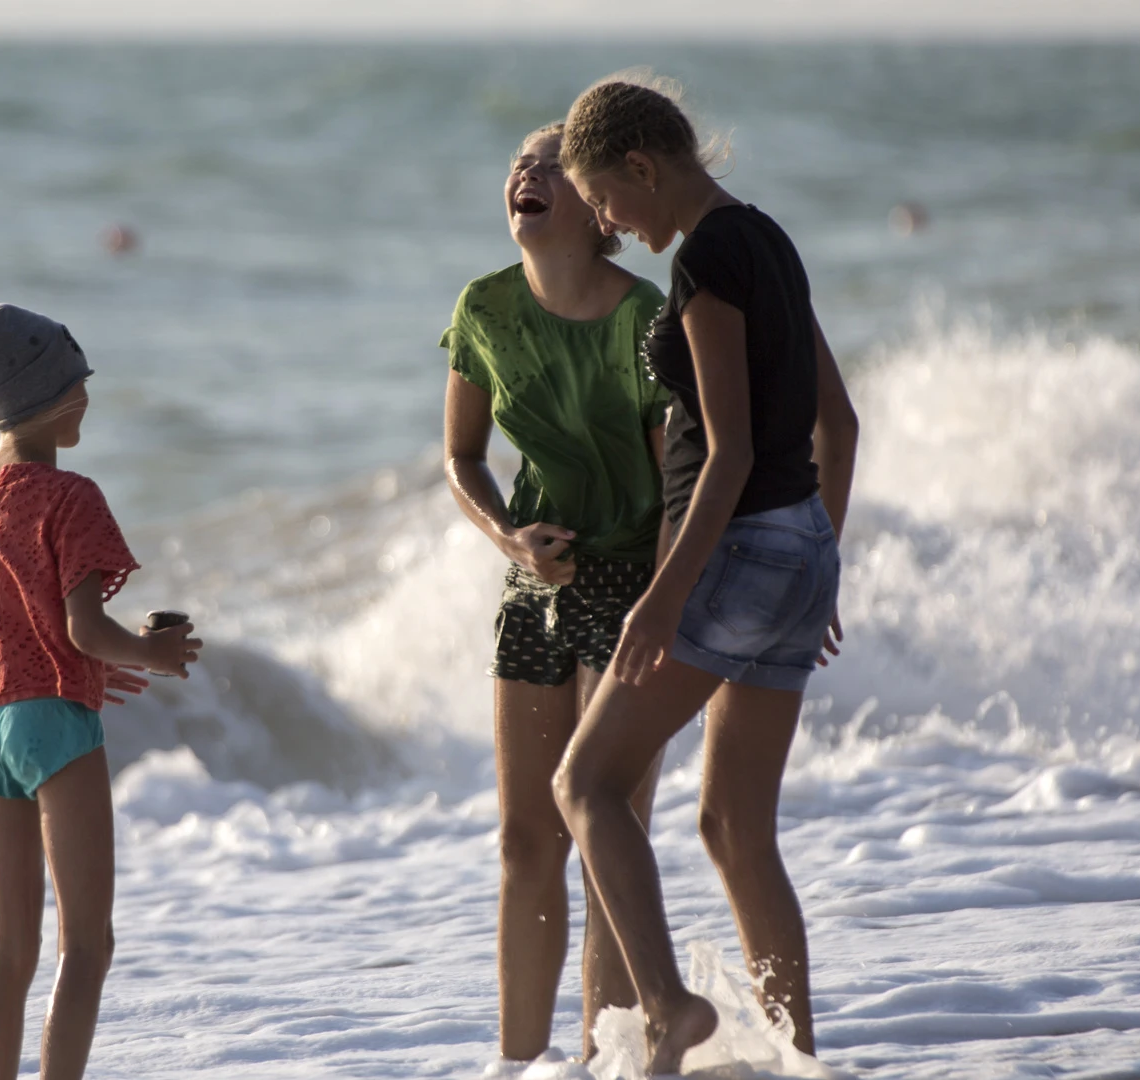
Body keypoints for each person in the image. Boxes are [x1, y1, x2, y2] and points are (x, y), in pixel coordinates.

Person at [550, 73, 860, 1076]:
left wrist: (666, 590)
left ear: (642, 166)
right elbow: (838, 423)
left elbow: (726, 452)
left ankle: (669, 1007)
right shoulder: (767, 238)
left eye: (602, 199)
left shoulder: (707, 262)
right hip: (798, 547)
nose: (601, 223)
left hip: (732, 552)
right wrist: (816, 562)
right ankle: (796, 1056)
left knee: (585, 783)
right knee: (734, 827)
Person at [441, 121, 673, 1071]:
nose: (523, 175)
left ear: (595, 204)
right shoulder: (484, 309)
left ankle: (606, 1060)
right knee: (524, 842)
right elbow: (460, 457)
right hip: (532, 585)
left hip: (636, 587)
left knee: (606, 837)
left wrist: (667, 602)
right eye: (516, 165)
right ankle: (520, 1066)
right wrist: (509, 538)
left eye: (547, 165)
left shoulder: (645, 320)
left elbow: (682, 484)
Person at [0, 302, 202, 1080]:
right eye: (81, 381)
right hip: (52, 727)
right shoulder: (69, 497)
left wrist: (45, 663)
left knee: (11, 949)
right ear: (59, 393)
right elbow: (85, 630)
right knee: (87, 945)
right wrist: (155, 653)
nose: (88, 397)